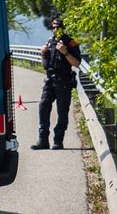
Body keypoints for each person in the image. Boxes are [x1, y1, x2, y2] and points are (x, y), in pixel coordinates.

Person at [32, 16, 81, 150]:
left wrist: (65, 53)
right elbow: (45, 65)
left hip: (64, 81)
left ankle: (58, 140)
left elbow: (76, 63)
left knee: (62, 112)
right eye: (54, 28)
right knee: (43, 106)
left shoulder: (70, 43)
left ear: (63, 28)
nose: (56, 30)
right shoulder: (49, 42)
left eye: (58, 28)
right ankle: (43, 140)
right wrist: (43, 55)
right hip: (50, 80)